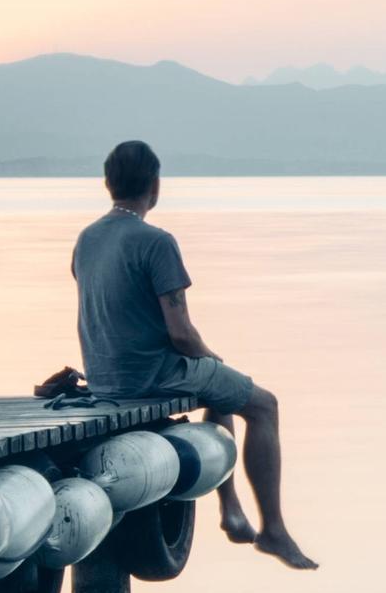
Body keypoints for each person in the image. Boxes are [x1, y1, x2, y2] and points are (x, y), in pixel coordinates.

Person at [70, 140, 317, 570]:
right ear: (155, 186)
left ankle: (232, 510)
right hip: (153, 375)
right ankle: (272, 529)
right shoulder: (156, 242)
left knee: (218, 386)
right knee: (262, 405)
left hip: (105, 376)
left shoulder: (87, 238)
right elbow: (181, 334)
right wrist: (209, 357)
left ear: (108, 184)